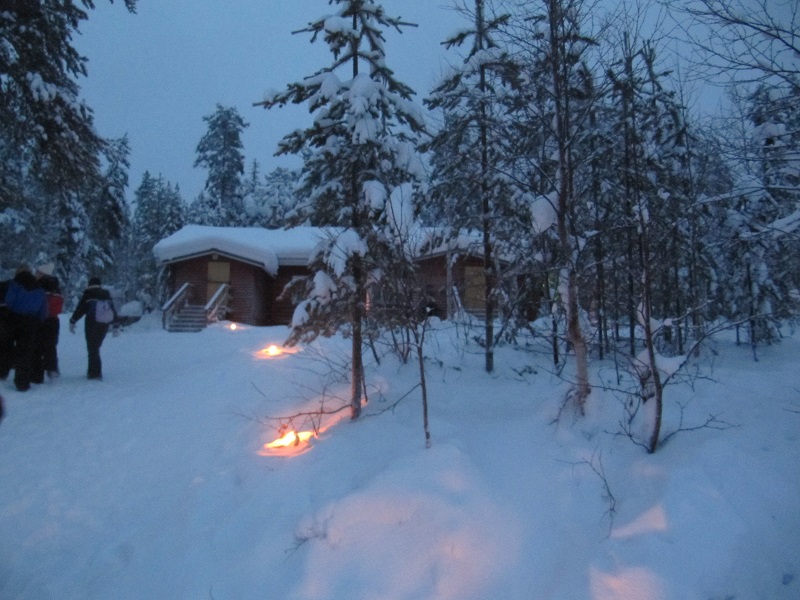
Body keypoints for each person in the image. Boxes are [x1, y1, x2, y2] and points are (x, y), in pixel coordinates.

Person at [4, 265, 47, 391]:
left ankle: (3, 371)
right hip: (31, 322)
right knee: (26, 352)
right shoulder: (40, 288)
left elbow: (9, 301)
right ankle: (22, 382)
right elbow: (43, 309)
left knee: (8, 346)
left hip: (14, 319)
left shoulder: (15, 284)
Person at [69, 276, 118, 380]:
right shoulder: (106, 294)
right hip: (104, 324)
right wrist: (116, 325)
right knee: (96, 347)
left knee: (92, 348)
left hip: (91, 323)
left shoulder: (88, 295)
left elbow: (80, 309)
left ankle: (94, 373)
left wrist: (73, 321)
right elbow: (113, 310)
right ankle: (95, 371)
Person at [32, 263, 63, 382]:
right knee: (51, 345)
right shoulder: (56, 286)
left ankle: (37, 370)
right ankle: (52, 368)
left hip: (39, 319)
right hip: (54, 319)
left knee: (38, 344)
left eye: (37, 272)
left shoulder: (37, 286)